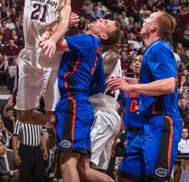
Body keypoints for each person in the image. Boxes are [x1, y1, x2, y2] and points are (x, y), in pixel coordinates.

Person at [109, 11, 182, 181]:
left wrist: (131, 87)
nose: (143, 21)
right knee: (126, 176)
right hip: (147, 123)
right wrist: (133, 82)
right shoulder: (151, 50)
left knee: (157, 178)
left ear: (154, 26)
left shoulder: (159, 48)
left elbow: (169, 84)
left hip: (162, 120)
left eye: (148, 19)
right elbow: (156, 81)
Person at [51, 18, 122, 182]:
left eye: (106, 23)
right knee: (84, 170)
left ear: (104, 35)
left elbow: (55, 43)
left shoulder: (88, 40)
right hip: (82, 105)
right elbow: (99, 84)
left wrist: (64, 23)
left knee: (67, 162)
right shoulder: (96, 52)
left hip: (73, 102)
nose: (102, 19)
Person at [89, 47, 123, 171]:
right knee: (98, 169)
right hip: (108, 113)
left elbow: (99, 78)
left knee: (83, 163)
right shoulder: (109, 56)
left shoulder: (109, 55)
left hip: (102, 114)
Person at [117, 55, 146, 180]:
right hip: (131, 132)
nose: (137, 63)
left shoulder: (152, 84)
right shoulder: (125, 86)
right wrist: (116, 136)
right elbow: (124, 111)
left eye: (140, 61)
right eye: (135, 61)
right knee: (126, 173)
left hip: (146, 131)